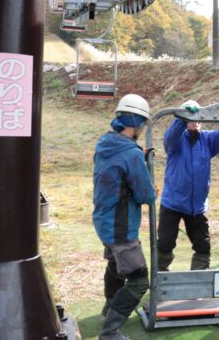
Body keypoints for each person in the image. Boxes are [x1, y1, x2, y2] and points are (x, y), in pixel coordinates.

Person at [93, 94, 156, 340]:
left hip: (104, 220)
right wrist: (142, 164)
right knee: (139, 280)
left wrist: (138, 155)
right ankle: (109, 332)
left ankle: (109, 308)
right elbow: (146, 195)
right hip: (121, 227)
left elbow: (119, 170)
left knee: (116, 266)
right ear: (138, 123)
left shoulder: (105, 143)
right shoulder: (131, 155)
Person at [157, 100, 219, 271]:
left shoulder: (207, 140)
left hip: (196, 207)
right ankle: (161, 279)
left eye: (197, 118)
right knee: (165, 244)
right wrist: (181, 119)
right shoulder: (175, 142)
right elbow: (170, 137)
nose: (194, 122)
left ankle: (198, 282)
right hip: (172, 203)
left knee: (203, 247)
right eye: (190, 118)